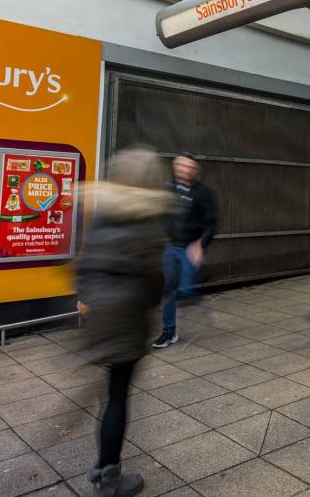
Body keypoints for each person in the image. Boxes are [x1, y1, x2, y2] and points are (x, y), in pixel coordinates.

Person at [76, 149, 172, 497]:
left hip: (99, 314)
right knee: (117, 395)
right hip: (128, 319)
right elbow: (153, 281)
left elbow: (83, 265)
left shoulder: (102, 210)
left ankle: (103, 464)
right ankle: (109, 476)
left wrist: (87, 298)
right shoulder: (147, 219)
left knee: (108, 395)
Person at [153, 153, 216, 349]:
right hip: (170, 246)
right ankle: (168, 332)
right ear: (175, 166)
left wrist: (201, 244)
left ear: (194, 169)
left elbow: (212, 223)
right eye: (181, 165)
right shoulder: (167, 188)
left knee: (185, 290)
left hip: (190, 248)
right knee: (169, 289)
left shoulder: (203, 192)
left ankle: (198, 299)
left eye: (189, 166)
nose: (184, 169)